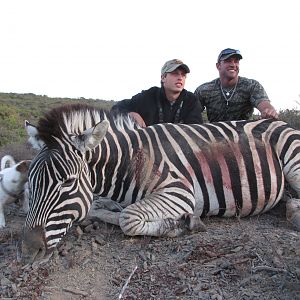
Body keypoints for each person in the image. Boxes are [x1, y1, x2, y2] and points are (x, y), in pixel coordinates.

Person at [111, 59, 203, 127]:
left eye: (183, 75)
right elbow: (116, 108)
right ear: (163, 77)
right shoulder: (148, 96)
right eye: (175, 73)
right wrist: (130, 113)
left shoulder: (192, 101)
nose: (180, 78)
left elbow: (196, 131)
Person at [194, 48, 278, 122]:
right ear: (218, 66)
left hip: (244, 136)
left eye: (236, 61)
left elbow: (265, 105)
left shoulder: (252, 85)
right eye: (228, 61)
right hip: (214, 136)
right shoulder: (204, 90)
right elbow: (192, 114)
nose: (233, 65)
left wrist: (269, 111)